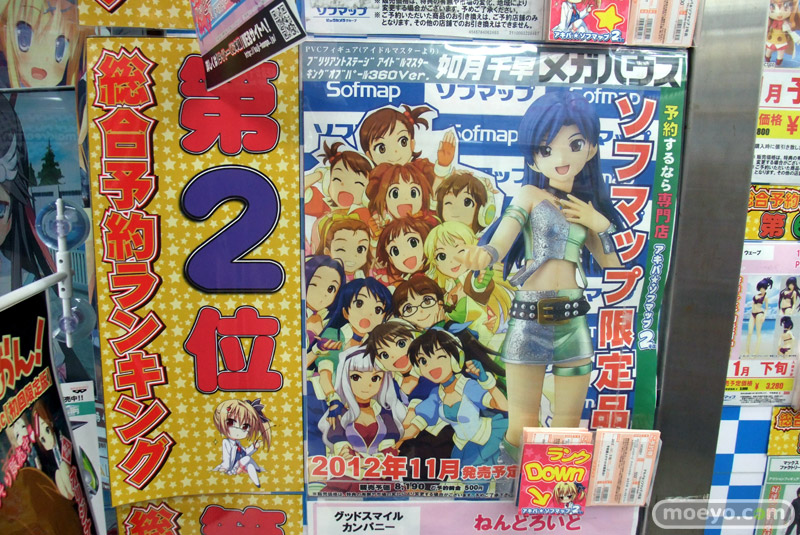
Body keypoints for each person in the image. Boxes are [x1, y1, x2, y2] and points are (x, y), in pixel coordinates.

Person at [458, 91, 624, 456]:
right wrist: (486, 253)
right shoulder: (529, 195)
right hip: (529, 318)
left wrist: (601, 225)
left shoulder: (587, 206)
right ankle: (508, 485)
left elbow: (613, 266)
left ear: (591, 149)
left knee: (567, 426)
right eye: (546, 150)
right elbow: (503, 236)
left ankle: (558, 488)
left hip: (572, 319)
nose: (561, 159)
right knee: (521, 424)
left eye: (574, 144)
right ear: (533, 156)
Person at [212, 398, 271, 488]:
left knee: (250, 464)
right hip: (232, 468)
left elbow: (244, 452)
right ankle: (248, 470)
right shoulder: (226, 442)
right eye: (231, 422)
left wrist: (254, 447)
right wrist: (224, 468)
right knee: (247, 458)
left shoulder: (237, 443)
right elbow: (226, 457)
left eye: (245, 426)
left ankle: (258, 484)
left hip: (241, 464)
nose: (238, 430)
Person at [747, 277, 773, 354]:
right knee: (749, 333)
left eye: (764, 288)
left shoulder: (766, 297)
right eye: (761, 288)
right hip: (752, 314)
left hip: (759, 313)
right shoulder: (755, 296)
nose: (762, 290)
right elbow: (752, 305)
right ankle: (747, 351)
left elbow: (766, 308)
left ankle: (755, 352)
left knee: (758, 333)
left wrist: (764, 316)